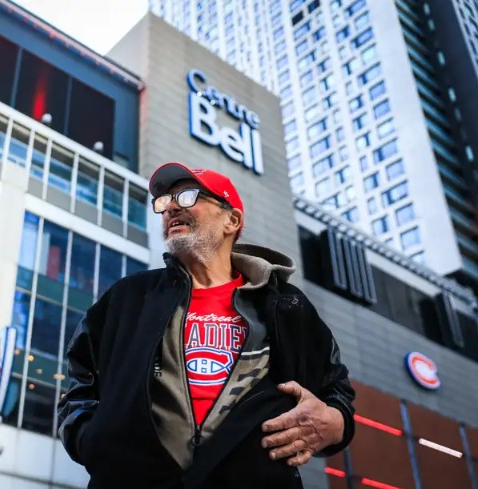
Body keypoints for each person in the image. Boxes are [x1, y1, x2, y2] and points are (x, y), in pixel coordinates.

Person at [57, 162, 355, 489]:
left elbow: (335, 387)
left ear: (232, 220)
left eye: (187, 196)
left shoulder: (286, 304)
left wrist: (336, 423)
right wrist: (91, 440)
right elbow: (80, 379)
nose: (170, 207)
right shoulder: (129, 297)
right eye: (164, 202)